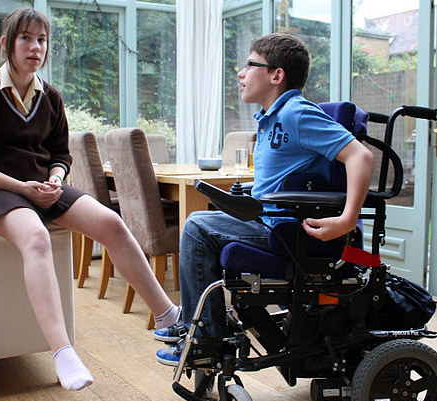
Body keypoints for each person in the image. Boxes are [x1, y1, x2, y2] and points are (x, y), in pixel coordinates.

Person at [0, 7, 180, 391]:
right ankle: (62, 352)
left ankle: (169, 318)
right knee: (36, 237)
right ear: (7, 44)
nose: (35, 47)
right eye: (26, 38)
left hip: (41, 186)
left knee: (112, 223)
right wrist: (21, 188)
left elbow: (60, 154)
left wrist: (55, 179)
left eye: (42, 40)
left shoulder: (50, 97)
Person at [155, 33, 374, 365]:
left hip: (288, 229)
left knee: (197, 227)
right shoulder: (272, 118)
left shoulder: (296, 113)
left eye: (249, 64)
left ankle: (204, 340)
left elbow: (361, 157)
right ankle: (199, 325)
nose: (241, 73)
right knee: (200, 222)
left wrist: (346, 219)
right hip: (267, 220)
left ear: (276, 75)